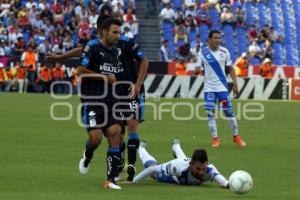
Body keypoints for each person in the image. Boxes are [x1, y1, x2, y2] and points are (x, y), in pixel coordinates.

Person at [46, 8, 149, 181]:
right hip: (109, 92)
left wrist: (137, 84)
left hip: (128, 89)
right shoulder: (98, 45)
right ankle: (112, 162)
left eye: (115, 32)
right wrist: (60, 57)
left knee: (125, 128)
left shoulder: (125, 42)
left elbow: (144, 60)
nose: (113, 35)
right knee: (104, 136)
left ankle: (124, 168)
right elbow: (82, 50)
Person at [76, 17, 124, 190]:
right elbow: (80, 71)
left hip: (111, 101)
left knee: (115, 134)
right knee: (95, 139)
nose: (117, 36)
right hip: (92, 100)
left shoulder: (117, 52)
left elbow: (115, 77)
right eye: (114, 32)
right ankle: (88, 154)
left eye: (119, 32)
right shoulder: (92, 47)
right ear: (104, 31)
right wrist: (104, 77)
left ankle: (110, 180)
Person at [195, 30, 246, 148]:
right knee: (210, 113)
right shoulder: (203, 52)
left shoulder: (224, 51)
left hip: (222, 88)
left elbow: (230, 68)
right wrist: (197, 69)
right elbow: (197, 68)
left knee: (228, 112)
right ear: (209, 39)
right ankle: (215, 140)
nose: (218, 40)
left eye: (219, 38)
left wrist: (235, 84)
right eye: (215, 38)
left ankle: (236, 137)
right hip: (209, 89)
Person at [132, 139, 229, 188]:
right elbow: (152, 169)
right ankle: (141, 148)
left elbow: (225, 183)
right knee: (153, 171)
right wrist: (134, 181)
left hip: (184, 163)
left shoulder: (210, 170)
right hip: (173, 177)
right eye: (198, 169)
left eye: (203, 169)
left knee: (183, 159)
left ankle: (175, 144)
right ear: (191, 164)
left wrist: (231, 185)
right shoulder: (177, 166)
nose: (201, 172)